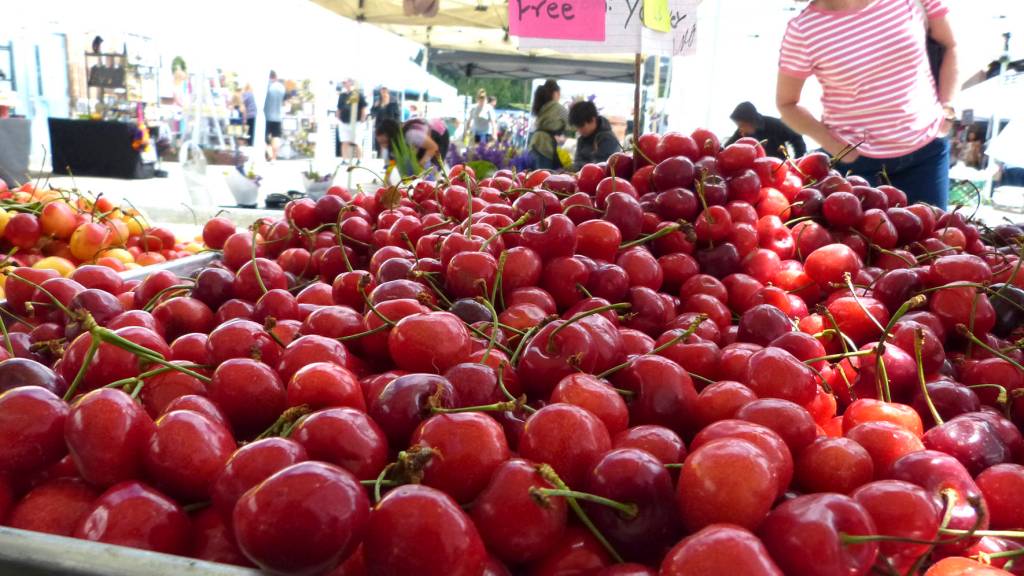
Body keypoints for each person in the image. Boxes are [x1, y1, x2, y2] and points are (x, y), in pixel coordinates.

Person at [777, 0, 959, 208]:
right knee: (865, 240)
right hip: (859, 167)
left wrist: (948, 108)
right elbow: (786, 104)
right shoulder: (803, 29)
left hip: (927, 154)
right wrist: (836, 147)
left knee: (934, 238)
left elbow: (951, 45)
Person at [725, 101, 806, 159]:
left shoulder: (774, 125)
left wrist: (798, 159)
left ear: (751, 121)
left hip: (779, 168)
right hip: (755, 173)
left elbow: (796, 137)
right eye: (738, 125)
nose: (740, 128)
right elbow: (726, 149)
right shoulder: (741, 133)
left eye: (741, 125)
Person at [375, 118, 450, 174]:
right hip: (425, 137)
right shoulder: (396, 146)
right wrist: (387, 179)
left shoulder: (410, 135)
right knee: (413, 167)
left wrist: (421, 166)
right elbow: (392, 164)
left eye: (384, 142)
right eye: (380, 143)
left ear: (391, 138)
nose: (383, 146)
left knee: (431, 168)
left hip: (440, 133)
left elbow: (434, 147)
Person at [568, 100, 621, 169]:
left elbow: (601, 166)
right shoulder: (582, 138)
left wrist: (580, 166)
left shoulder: (608, 139)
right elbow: (577, 162)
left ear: (593, 120)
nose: (579, 130)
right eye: (577, 127)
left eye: (581, 126)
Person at [528, 79, 568, 170]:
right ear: (555, 93)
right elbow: (572, 123)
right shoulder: (557, 107)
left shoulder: (542, 105)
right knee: (544, 177)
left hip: (535, 142)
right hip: (545, 145)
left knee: (534, 176)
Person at [337, 78, 368, 163]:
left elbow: (363, 106)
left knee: (357, 141)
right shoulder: (342, 95)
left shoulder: (357, 94)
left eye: (346, 82)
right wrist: (338, 117)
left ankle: (359, 159)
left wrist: (362, 117)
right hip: (344, 121)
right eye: (344, 83)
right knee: (344, 141)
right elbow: (339, 107)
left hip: (356, 122)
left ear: (351, 83)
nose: (345, 84)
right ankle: (344, 159)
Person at [371, 86, 401, 156]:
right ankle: (381, 157)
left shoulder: (393, 100)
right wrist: (375, 107)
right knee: (380, 143)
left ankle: (389, 158)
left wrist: (387, 104)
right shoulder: (377, 100)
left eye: (385, 90)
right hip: (379, 126)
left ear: (388, 91)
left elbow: (396, 114)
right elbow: (373, 112)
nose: (383, 92)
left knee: (389, 144)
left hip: (390, 126)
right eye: (382, 90)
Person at [264, 71, 286, 161]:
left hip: (266, 115)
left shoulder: (267, 86)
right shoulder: (281, 87)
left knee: (265, 137)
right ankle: (274, 157)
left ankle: (268, 152)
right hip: (278, 116)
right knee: (276, 136)